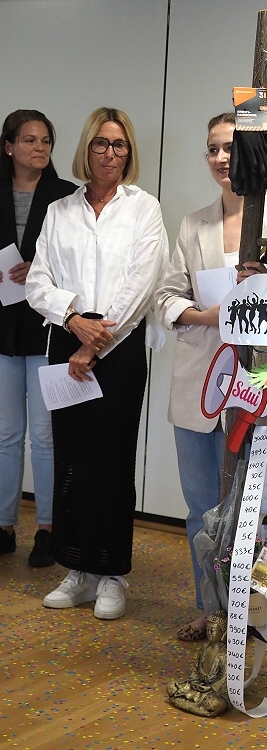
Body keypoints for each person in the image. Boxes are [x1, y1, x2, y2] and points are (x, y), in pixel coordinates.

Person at [154, 112, 267, 641]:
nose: (222, 158)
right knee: (201, 505)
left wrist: (265, 289)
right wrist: (209, 316)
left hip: (259, 379)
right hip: (199, 378)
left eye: (231, 148)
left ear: (252, 155)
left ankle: (249, 614)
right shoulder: (193, 223)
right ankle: (208, 607)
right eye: (213, 149)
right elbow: (166, 297)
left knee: (253, 508)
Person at [26, 107, 167, 619]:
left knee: (111, 461)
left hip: (117, 348)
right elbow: (38, 281)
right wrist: (71, 319)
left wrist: (94, 342)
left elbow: (142, 284)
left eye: (119, 144)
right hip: (67, 343)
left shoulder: (144, 208)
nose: (110, 153)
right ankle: (77, 569)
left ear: (129, 152)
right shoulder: (60, 210)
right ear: (86, 149)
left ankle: (111, 574)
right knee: (72, 459)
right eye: (101, 144)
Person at [0, 110, 76, 566]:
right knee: (6, 434)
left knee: (46, 436)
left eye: (46, 140)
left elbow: (80, 262)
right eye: (29, 140)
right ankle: (4, 524)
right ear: (8, 146)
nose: (40, 147)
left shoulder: (65, 196)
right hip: (3, 330)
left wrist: (41, 269)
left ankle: (48, 527)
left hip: (48, 329)